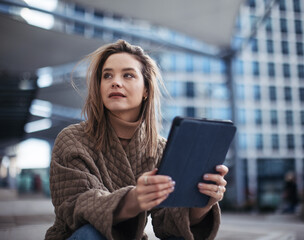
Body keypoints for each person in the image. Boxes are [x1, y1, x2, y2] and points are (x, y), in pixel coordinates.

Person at [45, 39, 228, 240]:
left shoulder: (160, 149)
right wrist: (133, 199)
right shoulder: (72, 139)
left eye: (128, 75)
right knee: (91, 233)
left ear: (146, 90)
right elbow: (76, 205)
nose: (115, 82)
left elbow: (167, 222)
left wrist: (202, 204)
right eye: (107, 75)